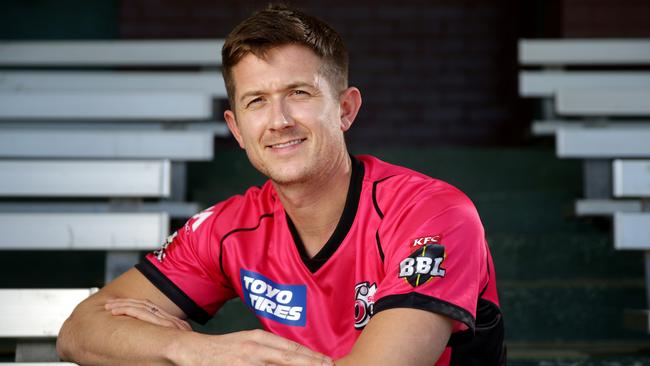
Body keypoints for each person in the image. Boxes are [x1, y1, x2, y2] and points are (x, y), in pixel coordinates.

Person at [57, 4, 505, 365]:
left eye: (300, 93)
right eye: (257, 101)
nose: (279, 121)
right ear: (236, 128)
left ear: (346, 109)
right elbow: (79, 332)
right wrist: (198, 350)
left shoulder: (433, 213)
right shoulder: (227, 228)